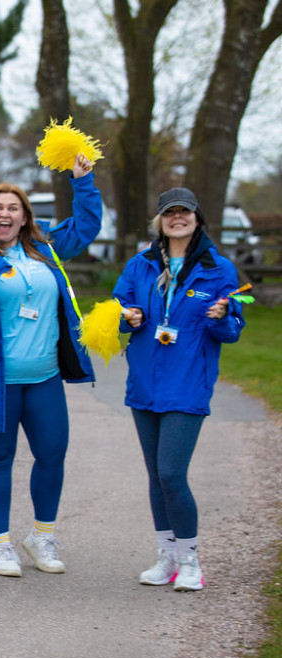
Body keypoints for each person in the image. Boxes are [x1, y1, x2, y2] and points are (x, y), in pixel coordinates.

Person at [0, 154, 100, 577]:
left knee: (52, 455)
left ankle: (42, 537)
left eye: (13, 207)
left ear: (25, 217)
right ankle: (0, 545)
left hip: (44, 377)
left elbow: (86, 227)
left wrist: (83, 181)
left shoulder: (45, 249)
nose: (5, 213)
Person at [113, 187, 244, 592]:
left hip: (188, 385)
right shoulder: (140, 264)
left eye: (185, 212)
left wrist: (221, 316)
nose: (177, 218)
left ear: (197, 218)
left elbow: (232, 331)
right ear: (160, 221)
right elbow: (116, 311)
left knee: (172, 472)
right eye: (170, 213)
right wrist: (128, 316)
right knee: (156, 475)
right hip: (145, 384)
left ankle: (190, 561)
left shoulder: (218, 269)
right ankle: (167, 557)